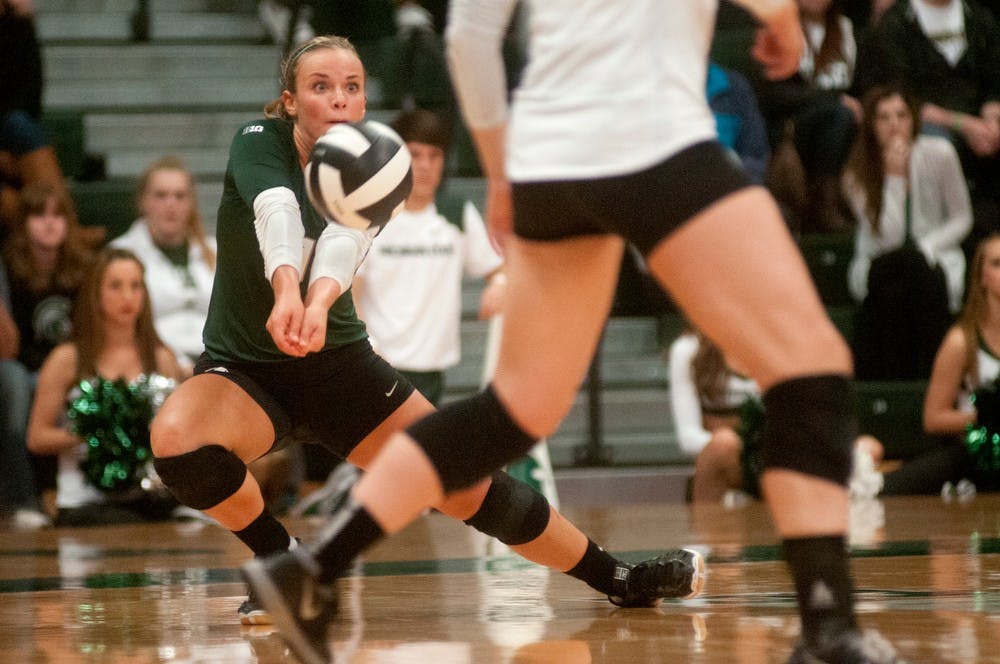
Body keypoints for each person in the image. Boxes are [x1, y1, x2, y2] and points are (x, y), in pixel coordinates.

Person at [242, 3, 904, 664]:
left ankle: (312, 570)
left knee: (515, 409)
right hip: (653, 134)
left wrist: (501, 170)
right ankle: (828, 628)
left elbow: (470, 39)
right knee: (810, 369)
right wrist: (785, 24)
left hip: (548, 157)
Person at [149, 35, 704, 630]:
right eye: (321, 87)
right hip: (246, 368)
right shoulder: (258, 143)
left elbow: (346, 240)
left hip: (338, 365)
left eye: (352, 87)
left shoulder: (382, 158)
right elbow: (277, 211)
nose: (339, 99)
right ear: (289, 102)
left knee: (464, 486)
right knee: (176, 440)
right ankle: (277, 557)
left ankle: (618, 578)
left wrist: (317, 302)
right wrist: (287, 291)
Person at [353, 108, 505, 406]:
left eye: (434, 156)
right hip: (378, 366)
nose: (425, 165)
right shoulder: (371, 216)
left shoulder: (457, 214)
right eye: (415, 155)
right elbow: (351, 289)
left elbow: (498, 268)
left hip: (431, 370)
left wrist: (500, 283)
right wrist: (365, 345)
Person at [26, 248, 185, 526]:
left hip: (151, 499)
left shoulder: (161, 358)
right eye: (115, 286)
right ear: (95, 294)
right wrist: (97, 432)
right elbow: (37, 438)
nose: (127, 297)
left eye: (136, 286)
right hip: (84, 502)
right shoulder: (66, 359)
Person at [670, 326, 885, 503]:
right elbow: (688, 438)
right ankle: (705, 546)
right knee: (724, 444)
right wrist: (751, 447)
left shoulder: (783, 341)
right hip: (733, 462)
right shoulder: (688, 349)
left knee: (868, 447)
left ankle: (845, 542)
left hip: (788, 452)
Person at [844, 85, 971, 380]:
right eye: (883, 117)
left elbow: (962, 218)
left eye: (901, 115)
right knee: (899, 274)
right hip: (879, 262)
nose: (894, 125)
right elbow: (889, 238)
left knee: (912, 274)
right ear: (871, 125)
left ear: (913, 119)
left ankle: (927, 380)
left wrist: (926, 246)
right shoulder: (857, 172)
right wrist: (895, 179)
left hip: (933, 257)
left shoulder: (940, 153)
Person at [853, 0, 1000, 253]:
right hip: (930, 122)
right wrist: (962, 124)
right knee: (936, 143)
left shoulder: (981, 18)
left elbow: (994, 81)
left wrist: (992, 121)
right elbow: (901, 98)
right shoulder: (896, 23)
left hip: (980, 120)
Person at [0, 182, 93, 528]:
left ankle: (79, 493)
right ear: (24, 223)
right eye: (39, 215)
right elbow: (9, 346)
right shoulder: (9, 269)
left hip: (71, 365)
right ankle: (28, 498)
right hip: (26, 368)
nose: (49, 224)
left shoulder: (82, 268)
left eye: (57, 216)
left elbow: (88, 332)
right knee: (19, 386)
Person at [879, 233, 1000, 495]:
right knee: (893, 488)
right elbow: (934, 418)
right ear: (982, 277)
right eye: (997, 263)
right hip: (973, 452)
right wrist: (986, 418)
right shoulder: (961, 341)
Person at [755, 0, 861, 232]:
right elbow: (775, 95)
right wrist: (831, 99)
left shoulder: (844, 28)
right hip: (793, 126)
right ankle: (825, 201)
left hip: (839, 124)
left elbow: (856, 85)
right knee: (839, 115)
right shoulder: (778, 28)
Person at [110, 156, 216, 373]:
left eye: (180, 196)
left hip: (214, 363)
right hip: (151, 364)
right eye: (160, 195)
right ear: (142, 201)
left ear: (191, 202)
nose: (171, 204)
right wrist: (173, 363)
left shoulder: (217, 250)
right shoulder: (120, 255)